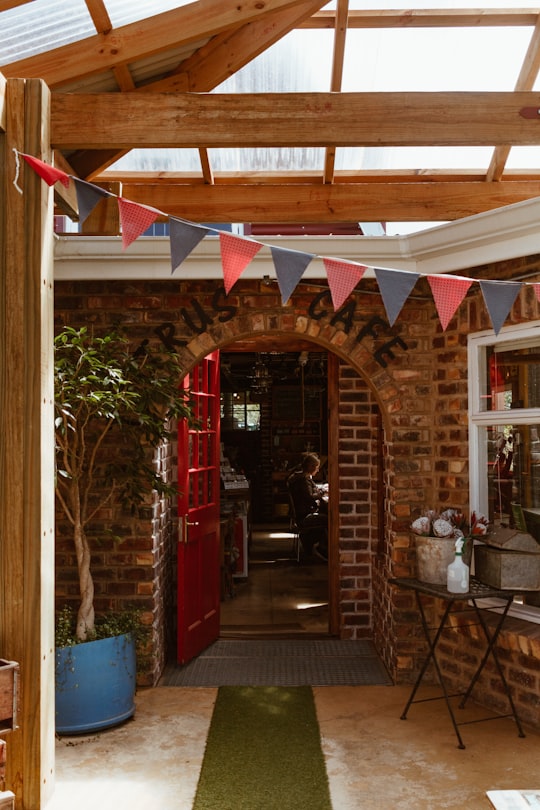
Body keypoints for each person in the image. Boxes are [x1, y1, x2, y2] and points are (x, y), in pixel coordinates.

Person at [287, 453, 328, 561]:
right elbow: (309, 497)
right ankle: (321, 548)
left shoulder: (299, 477)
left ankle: (309, 541)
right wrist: (322, 494)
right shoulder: (303, 480)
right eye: (317, 467)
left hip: (300, 513)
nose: (318, 470)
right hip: (304, 516)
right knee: (330, 519)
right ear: (310, 467)